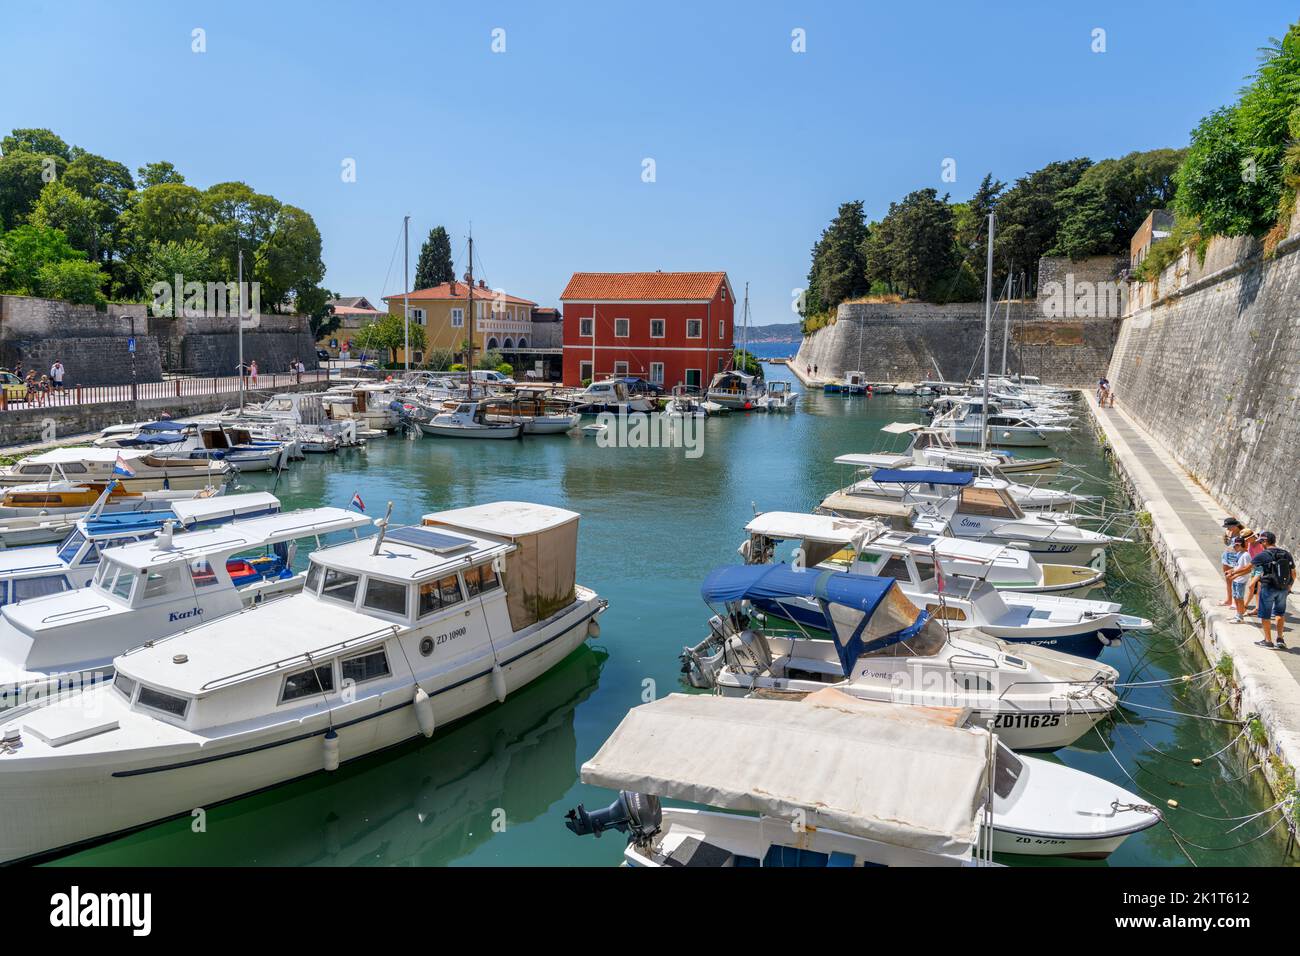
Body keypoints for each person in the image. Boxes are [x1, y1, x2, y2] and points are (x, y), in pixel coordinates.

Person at [1251, 531, 1295, 649]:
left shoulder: (1263, 554)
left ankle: (1268, 641)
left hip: (1268, 587)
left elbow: (1248, 567)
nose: (1260, 544)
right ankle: (1280, 639)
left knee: (1265, 615)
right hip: (1283, 588)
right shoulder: (1286, 554)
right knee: (1280, 613)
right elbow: (1293, 573)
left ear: (1265, 542)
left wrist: (1234, 573)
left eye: (1261, 542)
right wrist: (1289, 586)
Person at [1225, 537, 1252, 623]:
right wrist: (1231, 571)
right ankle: (1237, 614)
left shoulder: (1246, 555)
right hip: (1236, 579)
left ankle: (1240, 617)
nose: (1234, 548)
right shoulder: (1239, 553)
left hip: (1241, 580)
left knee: (1240, 598)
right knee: (1236, 597)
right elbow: (1237, 566)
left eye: (1236, 546)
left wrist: (1234, 575)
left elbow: (1248, 569)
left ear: (1240, 545)